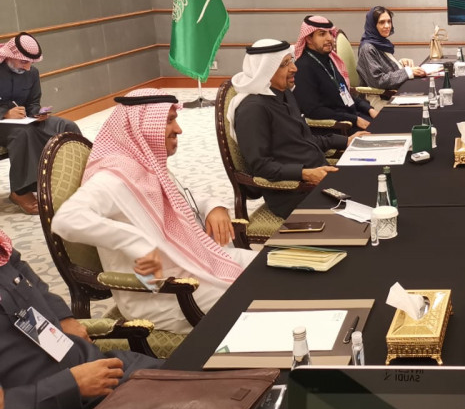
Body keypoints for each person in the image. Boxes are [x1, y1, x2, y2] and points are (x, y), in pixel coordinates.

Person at [52, 90, 254, 334]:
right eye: (169, 121)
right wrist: (136, 243)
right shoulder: (113, 178)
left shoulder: (145, 165)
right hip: (161, 293)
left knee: (269, 267)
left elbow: (176, 199)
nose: (178, 130)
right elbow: (66, 220)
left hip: (193, 262)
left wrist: (213, 206)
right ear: (142, 127)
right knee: (258, 297)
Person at [0, 232, 161, 409]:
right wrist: (72, 385)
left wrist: (63, 317)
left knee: (194, 392)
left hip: (95, 369)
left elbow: (20, 269)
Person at [230, 39, 361, 219]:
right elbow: (261, 167)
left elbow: (304, 139)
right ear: (265, 70)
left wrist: (346, 141)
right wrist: (305, 174)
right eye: (285, 64)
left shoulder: (285, 94)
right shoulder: (253, 109)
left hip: (319, 177)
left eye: (291, 61)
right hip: (293, 192)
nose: (294, 68)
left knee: (373, 182)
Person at [0, 33, 81, 214]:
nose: (27, 67)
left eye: (31, 63)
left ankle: (72, 178)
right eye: (23, 62)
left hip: (23, 120)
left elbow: (33, 102)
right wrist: (5, 113)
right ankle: (20, 191)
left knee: (66, 126)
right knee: (23, 133)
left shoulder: (32, 73)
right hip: (4, 124)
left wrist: (37, 113)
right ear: (10, 56)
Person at [291, 15, 378, 131]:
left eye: (330, 33)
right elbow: (314, 110)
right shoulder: (303, 67)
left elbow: (344, 94)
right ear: (308, 39)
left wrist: (368, 109)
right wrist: (354, 119)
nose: (329, 38)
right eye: (322, 34)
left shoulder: (329, 60)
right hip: (337, 128)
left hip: (352, 117)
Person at [356, 6, 428, 90]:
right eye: (382, 22)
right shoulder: (367, 48)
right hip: (382, 96)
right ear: (373, 25)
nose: (387, 26)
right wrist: (408, 71)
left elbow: (384, 69)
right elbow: (378, 81)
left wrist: (400, 64)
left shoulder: (380, 43)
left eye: (389, 21)